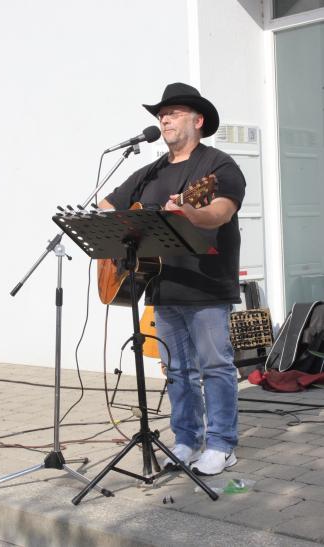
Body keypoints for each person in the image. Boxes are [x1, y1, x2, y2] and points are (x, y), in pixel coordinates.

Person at [98, 82, 246, 476]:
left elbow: (219, 213)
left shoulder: (218, 167)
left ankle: (221, 444)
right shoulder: (151, 172)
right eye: (161, 114)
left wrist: (186, 212)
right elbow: (106, 206)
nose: (164, 118)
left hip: (206, 283)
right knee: (176, 370)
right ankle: (186, 439)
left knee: (215, 366)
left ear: (198, 121)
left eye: (174, 112)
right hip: (160, 285)